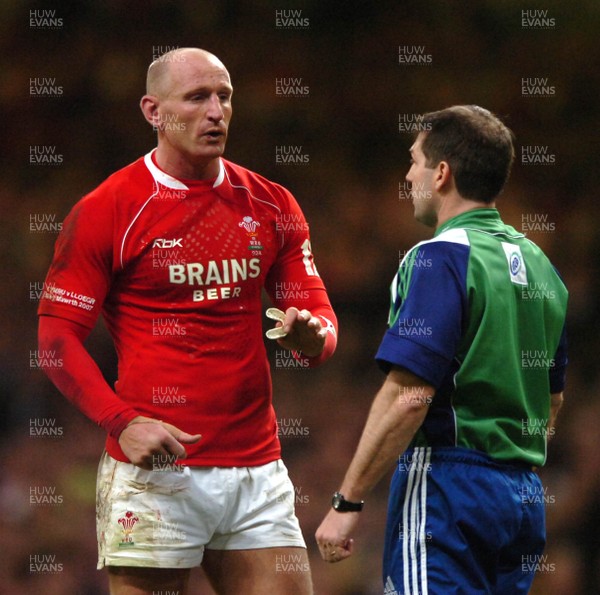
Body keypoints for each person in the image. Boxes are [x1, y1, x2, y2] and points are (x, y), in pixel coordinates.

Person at [38, 47, 337, 595]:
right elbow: (56, 340)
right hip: (156, 472)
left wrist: (313, 335)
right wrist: (122, 422)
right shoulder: (109, 208)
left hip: (256, 469)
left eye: (224, 96)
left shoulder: (271, 205)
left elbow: (318, 323)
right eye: (197, 97)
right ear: (153, 111)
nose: (216, 111)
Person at [315, 105, 567, 594]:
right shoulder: (542, 267)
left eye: (414, 161)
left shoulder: (438, 258)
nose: (409, 175)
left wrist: (346, 503)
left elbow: (410, 395)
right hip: (522, 497)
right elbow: (551, 400)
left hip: (447, 489)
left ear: (443, 172)